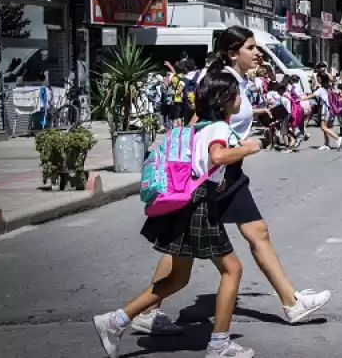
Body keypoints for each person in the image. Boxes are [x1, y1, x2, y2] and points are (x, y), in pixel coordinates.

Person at [134, 27, 330, 334]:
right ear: (232, 52)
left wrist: (260, 117)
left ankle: (291, 302)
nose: (257, 53)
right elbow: (198, 122)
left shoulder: (236, 79)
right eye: (251, 48)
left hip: (225, 171)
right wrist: (194, 165)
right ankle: (290, 304)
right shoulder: (219, 80)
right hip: (217, 173)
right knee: (190, 245)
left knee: (250, 234)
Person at [93, 71, 260, 358]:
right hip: (200, 205)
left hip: (186, 203)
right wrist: (249, 147)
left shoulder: (199, 126)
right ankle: (219, 344)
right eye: (236, 93)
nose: (240, 99)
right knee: (233, 270)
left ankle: (116, 320)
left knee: (177, 279)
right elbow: (218, 156)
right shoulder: (218, 128)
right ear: (224, 100)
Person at [301, 73, 342, 150]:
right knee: (326, 126)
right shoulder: (330, 88)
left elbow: (312, 96)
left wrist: (301, 99)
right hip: (330, 109)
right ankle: (326, 144)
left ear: (320, 79)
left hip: (325, 109)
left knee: (323, 127)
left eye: (318, 78)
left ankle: (337, 137)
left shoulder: (321, 89)